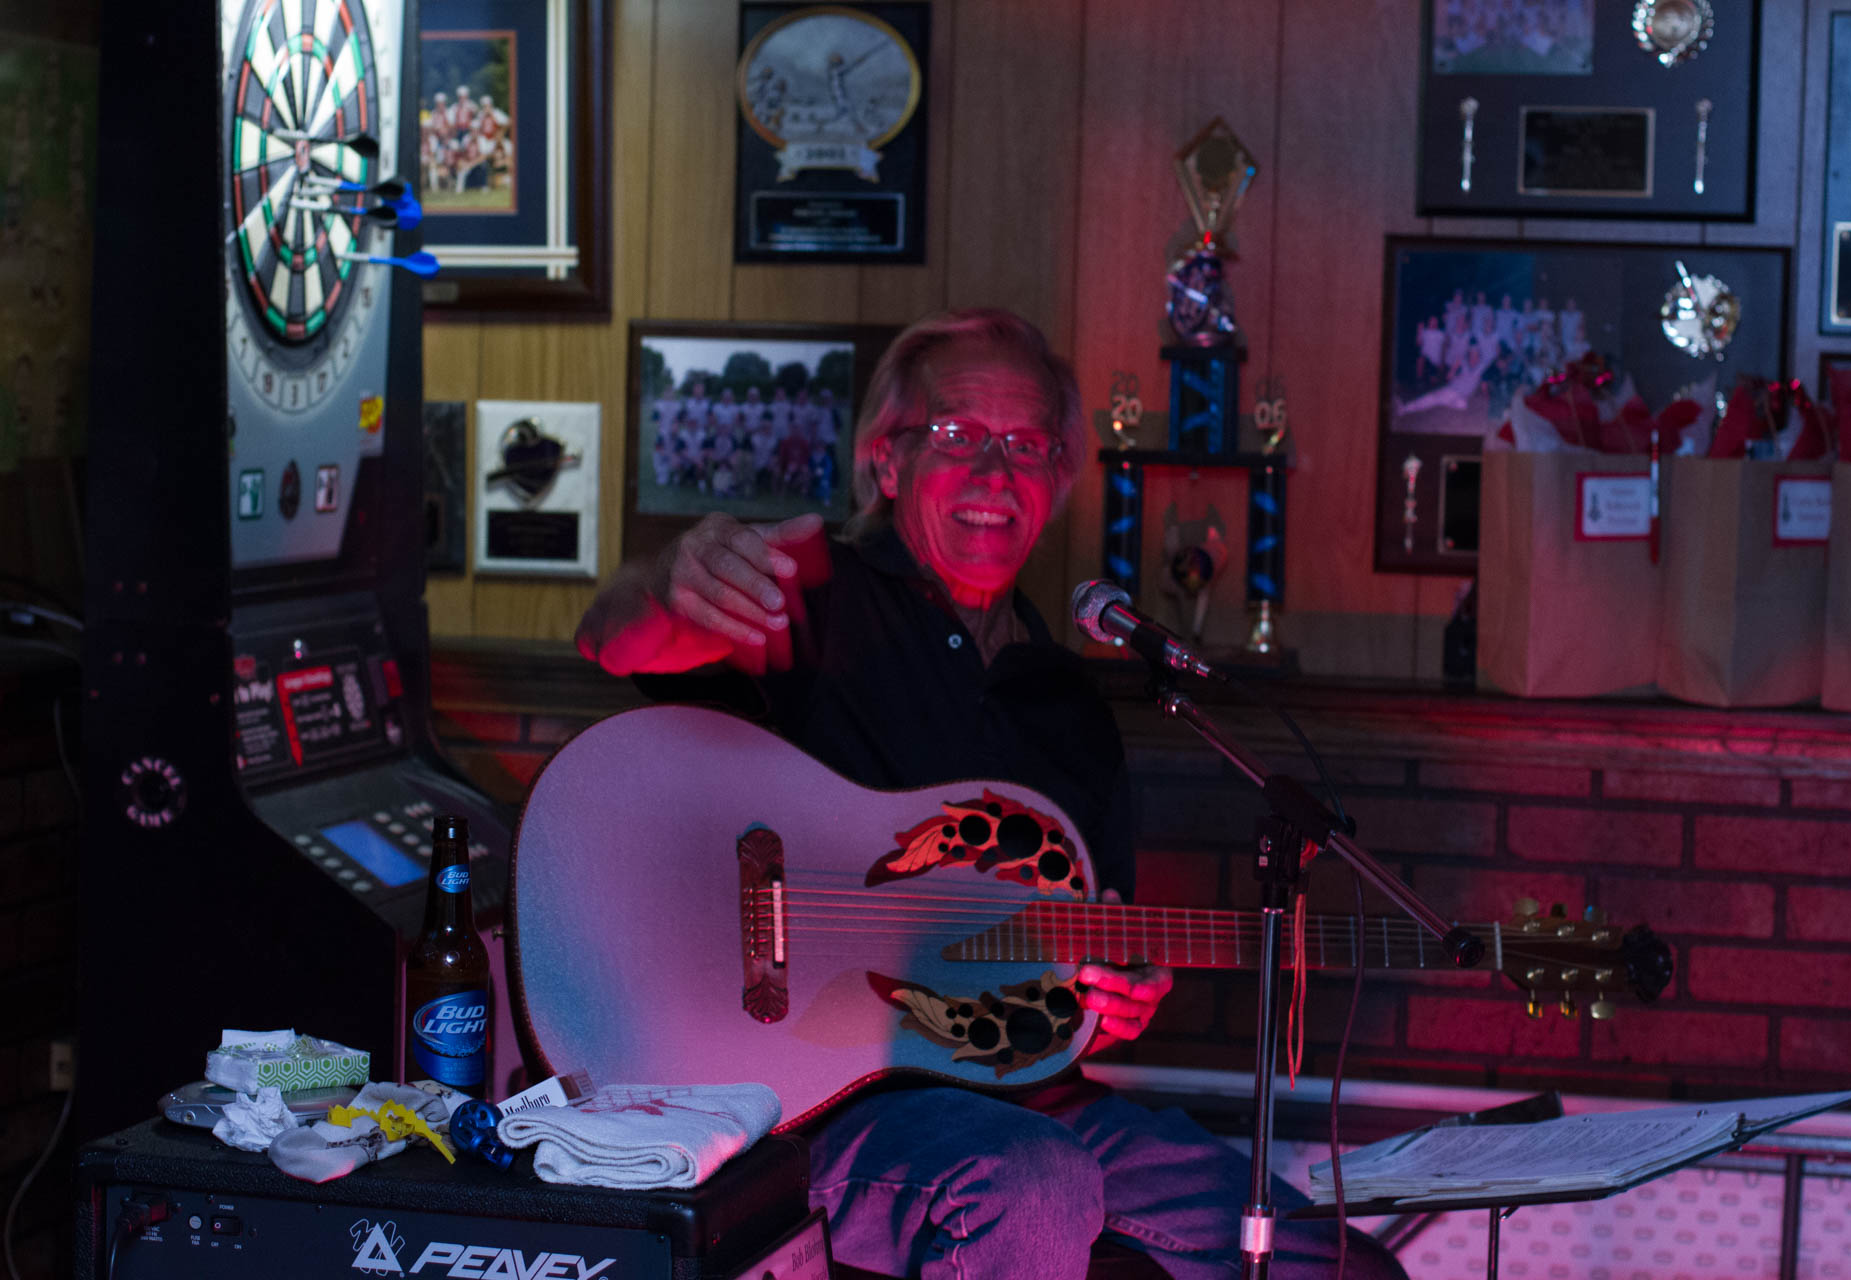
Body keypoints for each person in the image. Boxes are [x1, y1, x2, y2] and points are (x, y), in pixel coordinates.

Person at [575, 309, 1406, 1280]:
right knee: (1030, 1179)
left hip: (1036, 1097)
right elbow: (615, 638)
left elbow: (1092, 944)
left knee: (1339, 1265)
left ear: (1056, 484)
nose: (992, 472)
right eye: (958, 435)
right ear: (887, 462)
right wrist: (667, 582)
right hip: (809, 1102)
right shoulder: (814, 591)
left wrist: (1119, 991)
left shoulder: (1072, 708)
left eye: (1025, 447)